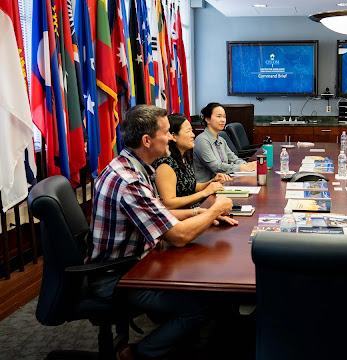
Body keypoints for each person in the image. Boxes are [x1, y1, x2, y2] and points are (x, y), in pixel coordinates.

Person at [86, 105, 239, 360]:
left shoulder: (132, 167)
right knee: (199, 305)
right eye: (167, 132)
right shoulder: (130, 182)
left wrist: (199, 213)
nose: (171, 137)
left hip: (136, 263)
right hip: (117, 276)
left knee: (202, 278)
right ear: (147, 140)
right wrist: (214, 210)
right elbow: (177, 237)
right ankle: (134, 353)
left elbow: (159, 213)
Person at [153, 113, 232, 210]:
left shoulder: (184, 157)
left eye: (192, 131)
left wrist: (212, 182)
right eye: (188, 131)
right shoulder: (165, 164)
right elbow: (168, 203)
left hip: (196, 209)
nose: (193, 135)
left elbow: (191, 187)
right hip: (183, 217)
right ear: (173, 136)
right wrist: (204, 193)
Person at [193, 102, 256, 181]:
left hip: (223, 182)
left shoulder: (221, 140)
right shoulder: (201, 140)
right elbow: (216, 167)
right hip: (207, 187)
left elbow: (234, 159)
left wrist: (249, 165)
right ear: (207, 119)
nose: (223, 120)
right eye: (218, 116)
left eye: (224, 117)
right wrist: (243, 167)